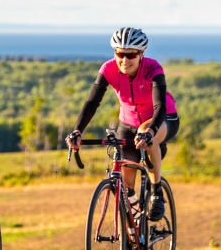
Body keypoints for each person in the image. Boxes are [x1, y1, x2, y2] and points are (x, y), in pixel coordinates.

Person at [65, 27, 180, 221]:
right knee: (125, 185)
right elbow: (92, 102)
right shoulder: (108, 69)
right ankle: (134, 229)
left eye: (131, 55)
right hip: (127, 124)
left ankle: (156, 192)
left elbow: (159, 105)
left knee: (145, 133)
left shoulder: (153, 68)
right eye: (120, 54)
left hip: (162, 119)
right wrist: (78, 130)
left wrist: (150, 131)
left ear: (141, 54)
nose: (124, 60)